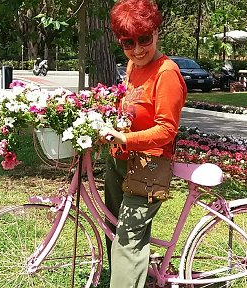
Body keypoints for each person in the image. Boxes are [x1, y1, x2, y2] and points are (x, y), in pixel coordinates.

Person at [100, 0, 187, 287]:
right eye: (128, 42)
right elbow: (128, 106)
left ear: (156, 33)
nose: (137, 49)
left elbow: (166, 130)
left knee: (128, 241)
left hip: (149, 166)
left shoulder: (167, 72)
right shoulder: (132, 66)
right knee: (114, 226)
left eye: (144, 39)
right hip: (120, 158)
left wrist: (127, 137)